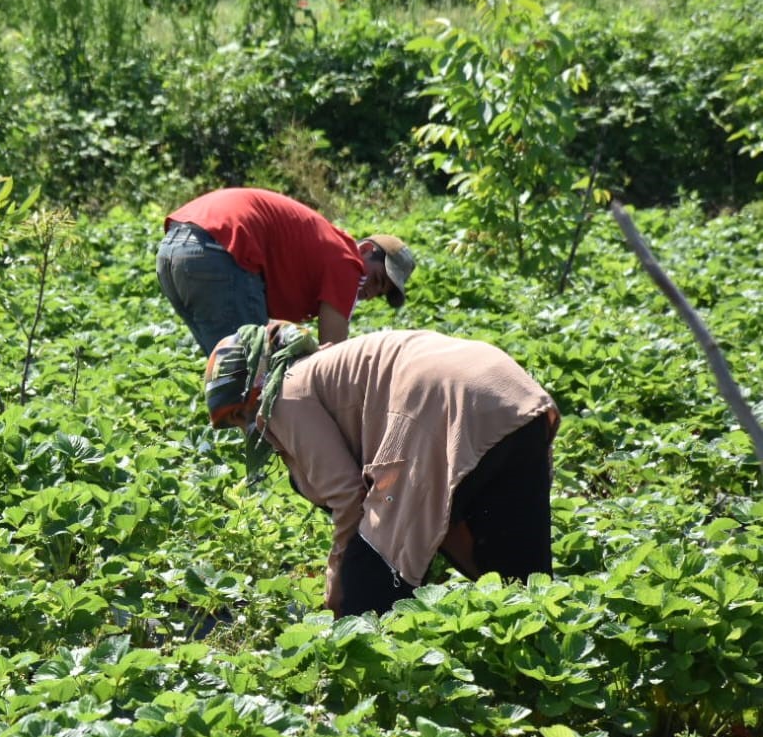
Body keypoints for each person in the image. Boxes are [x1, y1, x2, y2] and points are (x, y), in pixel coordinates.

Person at [204, 321, 559, 617]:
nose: (244, 427)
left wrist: (339, 584)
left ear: (253, 384)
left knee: (368, 585)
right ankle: (532, 679)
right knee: (522, 581)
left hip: (442, 407)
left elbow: (349, 497)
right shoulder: (329, 363)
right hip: (513, 395)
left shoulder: (283, 393)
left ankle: (373, 684)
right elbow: (446, 518)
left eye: (238, 414)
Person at [157, 187, 416, 353]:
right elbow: (334, 358)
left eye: (379, 293)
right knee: (252, 381)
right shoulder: (347, 262)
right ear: (367, 250)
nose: (370, 291)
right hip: (216, 252)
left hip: (173, 252)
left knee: (230, 374)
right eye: (378, 279)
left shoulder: (322, 248)